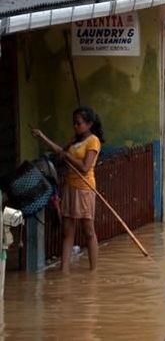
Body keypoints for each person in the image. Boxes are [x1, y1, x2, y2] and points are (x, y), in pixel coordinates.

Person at [31, 106, 104, 273]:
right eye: (74, 123)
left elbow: (85, 167)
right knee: (68, 230)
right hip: (70, 188)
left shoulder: (93, 141)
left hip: (84, 189)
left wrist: (67, 156)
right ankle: (64, 270)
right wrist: (42, 137)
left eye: (78, 123)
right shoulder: (74, 140)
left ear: (89, 124)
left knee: (89, 231)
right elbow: (59, 152)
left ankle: (93, 272)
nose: (75, 126)